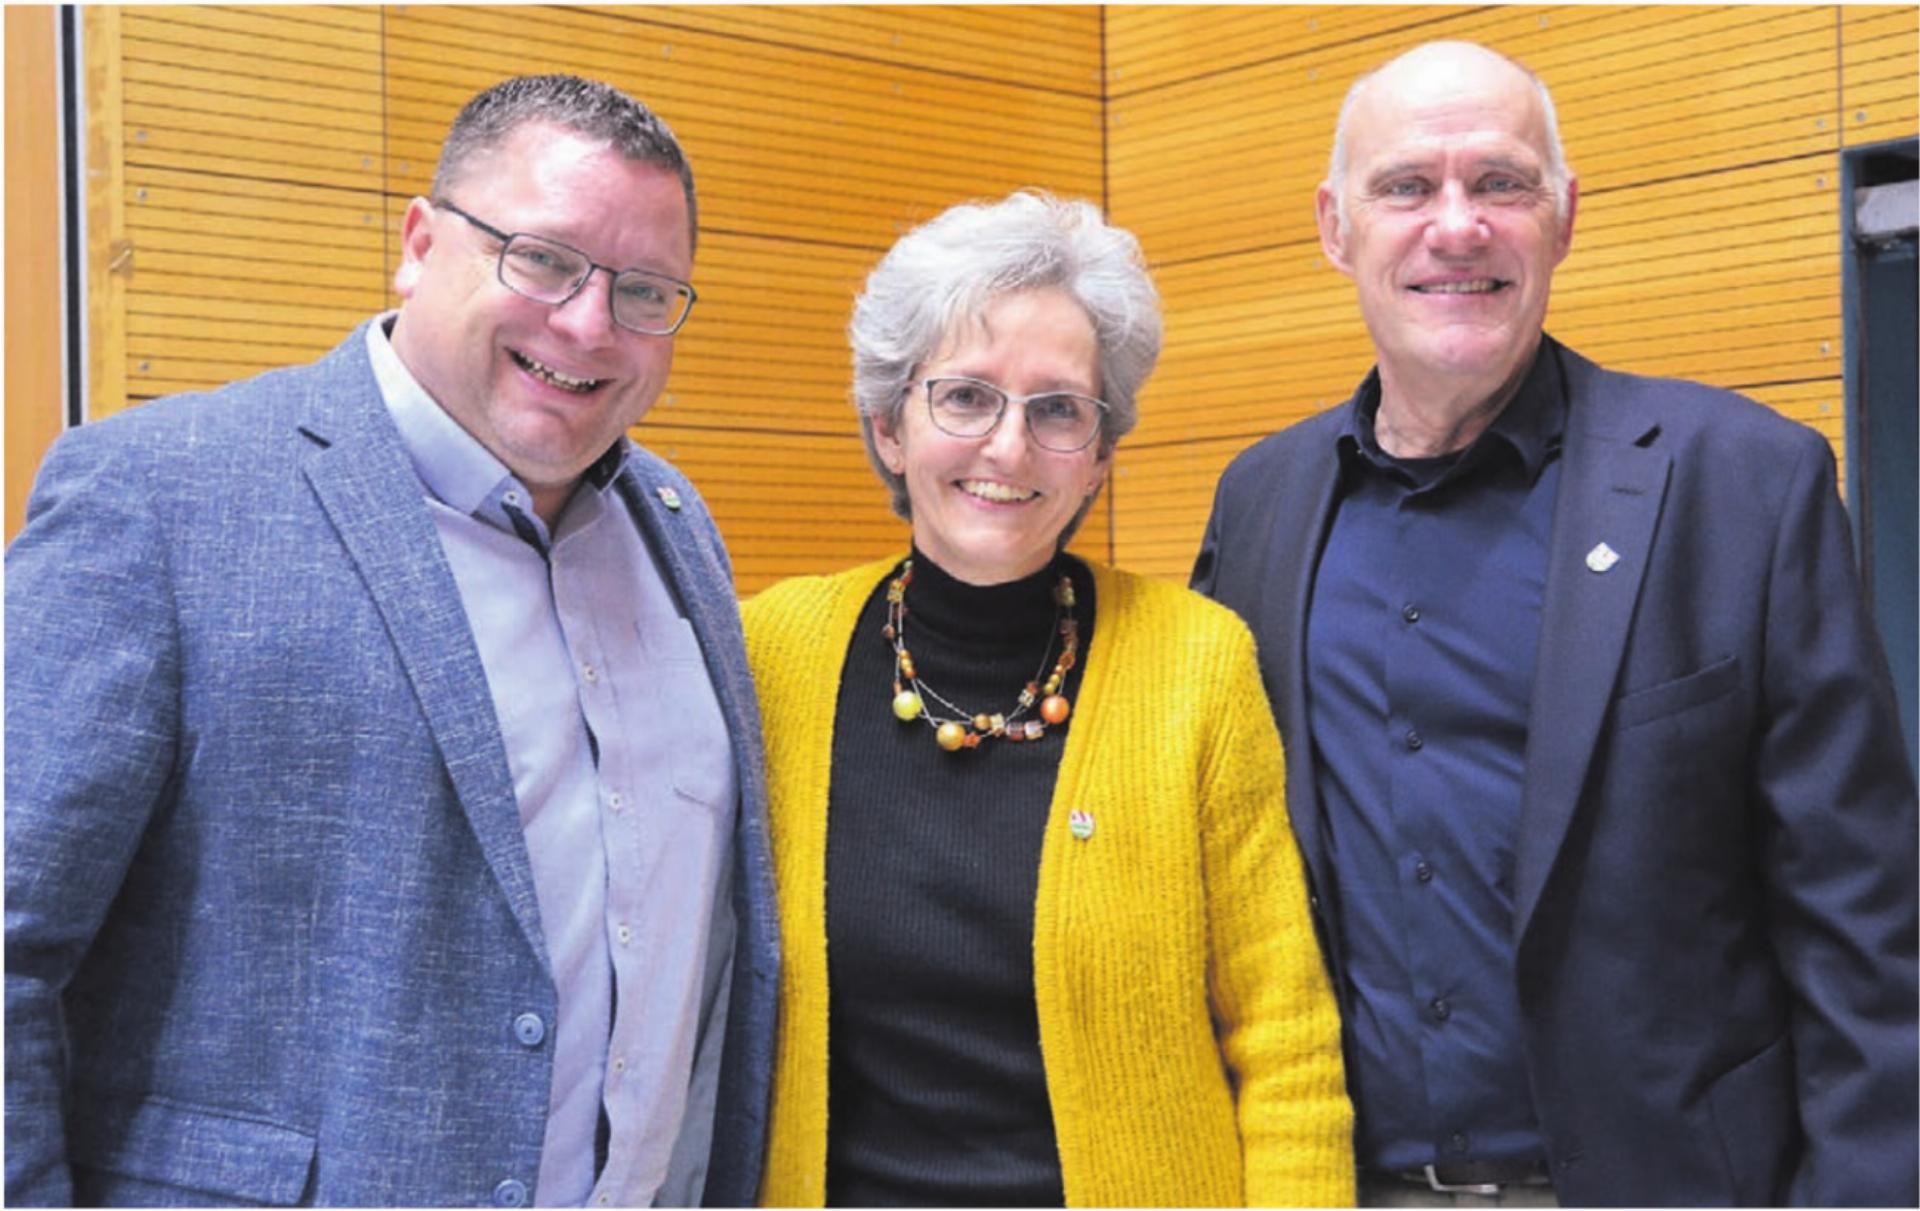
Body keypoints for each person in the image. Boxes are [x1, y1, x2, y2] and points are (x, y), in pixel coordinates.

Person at [5, 75, 777, 1208]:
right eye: (544, 258)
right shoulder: (160, 498)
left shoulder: (677, 531)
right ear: (420, 243)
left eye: (646, 290)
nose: (588, 325)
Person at [1192, 40, 1919, 1208]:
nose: (1456, 225)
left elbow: (1865, 924)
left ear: (1565, 218)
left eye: (1501, 182)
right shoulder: (1261, 502)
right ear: (1336, 227)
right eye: (1406, 186)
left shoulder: (1744, 483)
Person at [743, 190, 1352, 1208]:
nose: (1009, 448)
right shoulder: (772, 655)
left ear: (1103, 455)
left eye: (1059, 408)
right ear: (891, 426)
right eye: (966, 396)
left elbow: (1285, 1041)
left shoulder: (1195, 663)